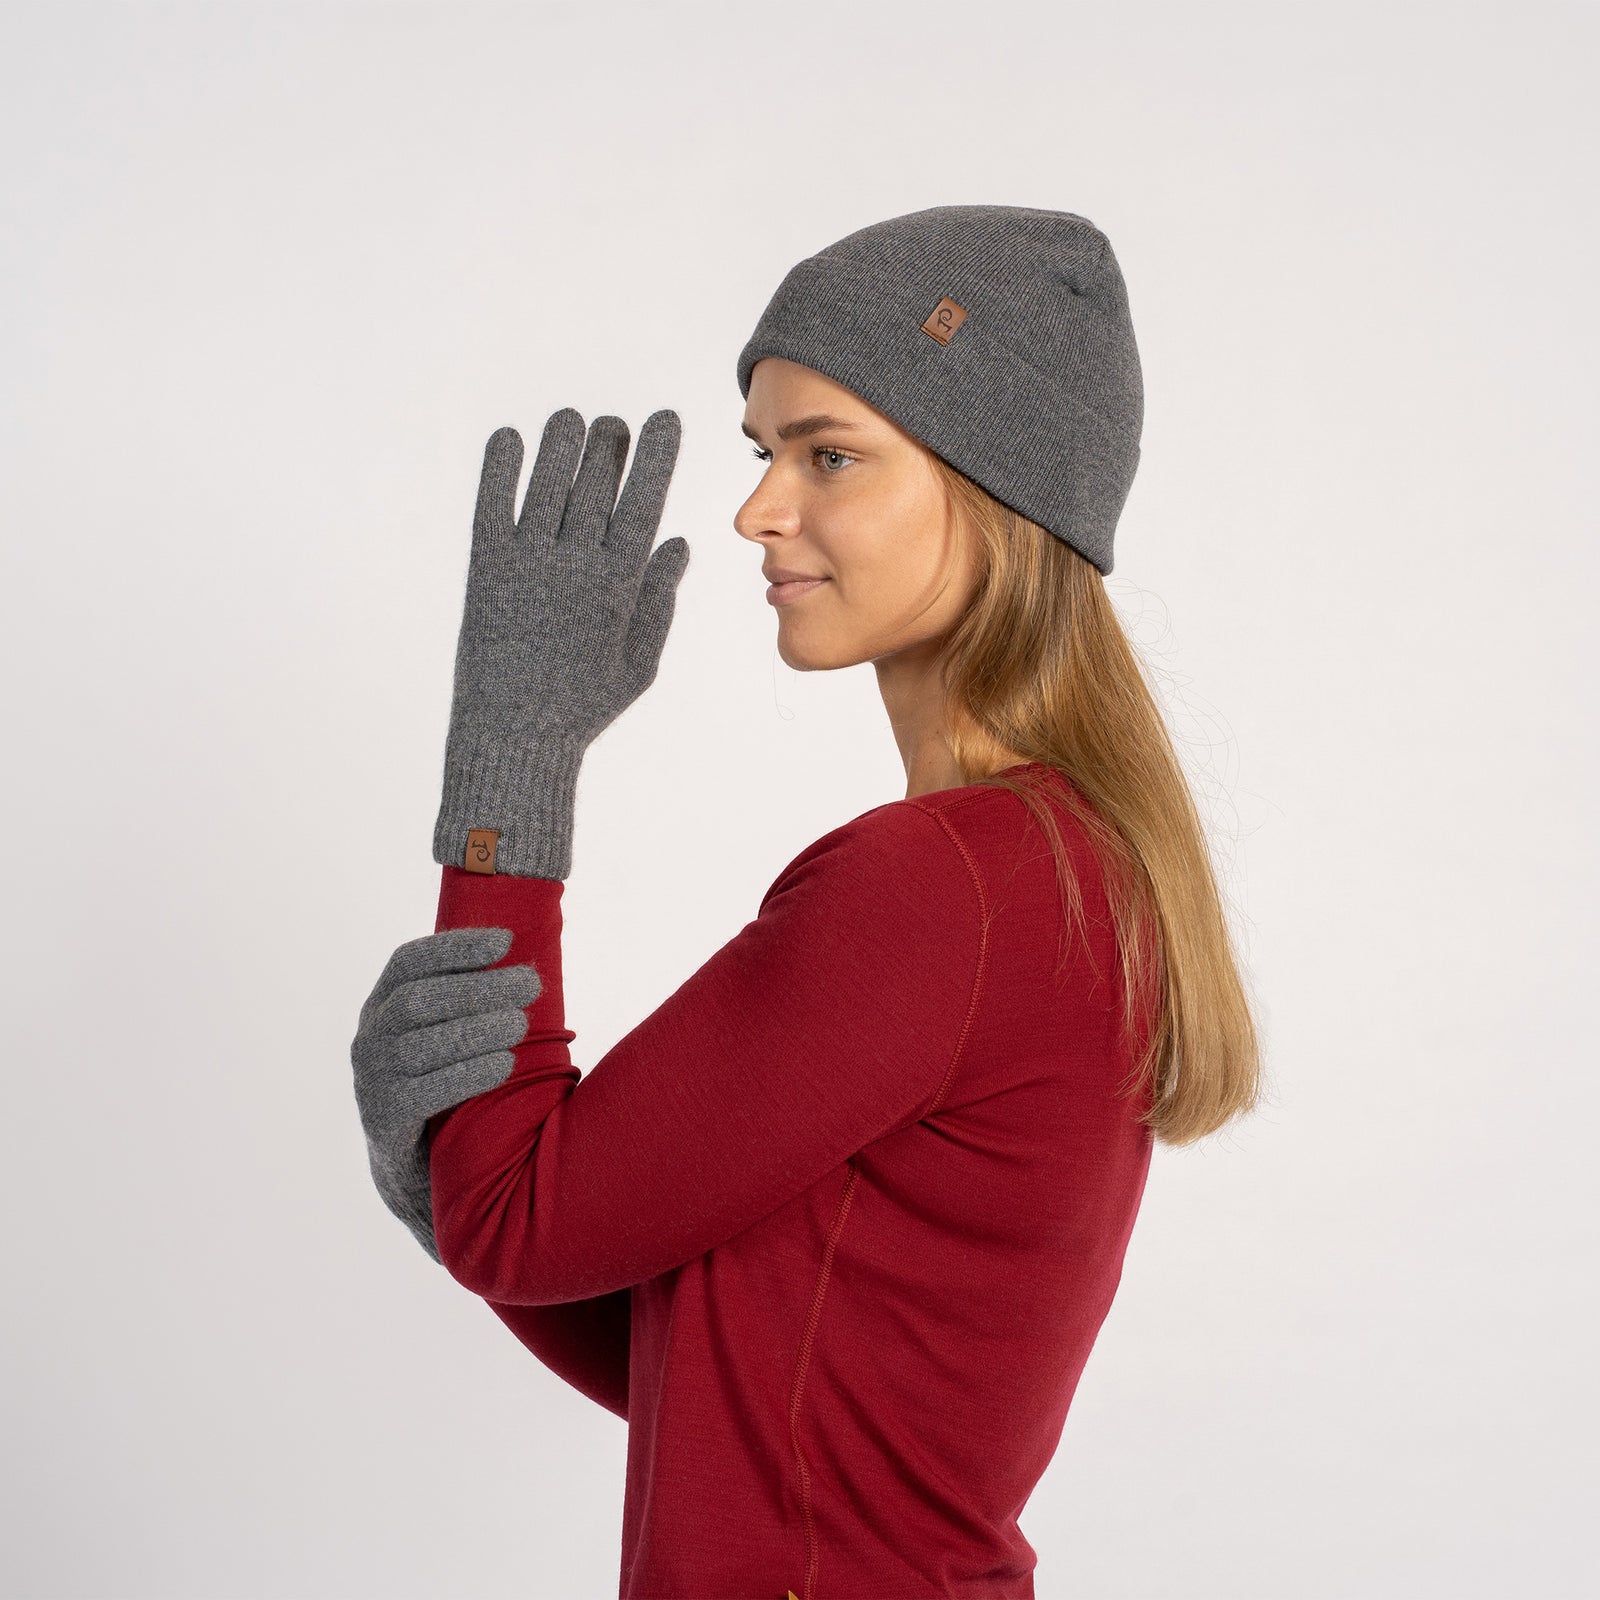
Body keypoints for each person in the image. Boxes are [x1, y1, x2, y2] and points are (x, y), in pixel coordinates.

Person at [351, 204, 1262, 1600]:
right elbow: (722, 1380)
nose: (758, 510)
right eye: (764, 452)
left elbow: (523, 1224)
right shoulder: (1071, 870)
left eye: (829, 454)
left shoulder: (938, 886)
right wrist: (458, 1178)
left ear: (997, 487)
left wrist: (508, 774)